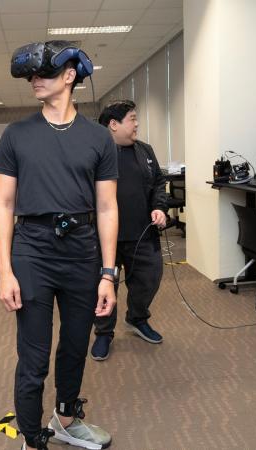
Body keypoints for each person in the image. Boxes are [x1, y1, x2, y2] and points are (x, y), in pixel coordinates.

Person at [0, 40, 117, 450]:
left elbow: (107, 207)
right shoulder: (16, 135)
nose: (35, 80)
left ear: (69, 76)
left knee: (75, 344)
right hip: (32, 250)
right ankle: (31, 439)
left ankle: (65, 420)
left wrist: (108, 274)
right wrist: (5, 270)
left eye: (44, 73)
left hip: (82, 250)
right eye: (31, 74)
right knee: (34, 355)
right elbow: (4, 203)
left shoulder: (98, 138)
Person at [91, 100, 167, 361]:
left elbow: (158, 182)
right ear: (113, 124)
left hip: (142, 234)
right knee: (103, 286)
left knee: (150, 278)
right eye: (132, 119)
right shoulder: (96, 154)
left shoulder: (145, 151)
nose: (137, 124)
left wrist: (159, 207)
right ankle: (103, 332)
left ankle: (137, 318)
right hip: (104, 239)